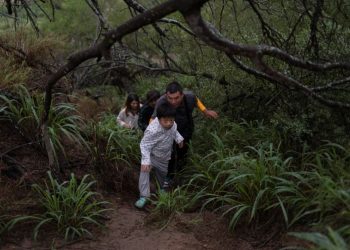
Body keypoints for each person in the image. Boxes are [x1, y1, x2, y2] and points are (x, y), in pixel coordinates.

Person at [153, 81, 218, 184]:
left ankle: (180, 173)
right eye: (170, 98)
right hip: (168, 132)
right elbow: (153, 119)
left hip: (186, 129)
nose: (173, 101)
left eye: (177, 98)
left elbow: (196, 100)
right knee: (169, 154)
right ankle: (168, 177)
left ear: (182, 95)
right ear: (166, 96)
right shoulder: (161, 102)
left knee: (183, 153)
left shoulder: (189, 98)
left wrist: (205, 111)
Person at [135, 102, 184, 208]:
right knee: (144, 172)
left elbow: (175, 132)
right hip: (151, 156)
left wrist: (179, 139)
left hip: (164, 157)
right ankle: (144, 196)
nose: (169, 123)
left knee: (162, 175)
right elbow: (144, 145)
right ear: (158, 118)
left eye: (171, 120)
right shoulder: (152, 130)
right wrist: (146, 161)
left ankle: (160, 189)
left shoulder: (173, 124)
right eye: (165, 121)